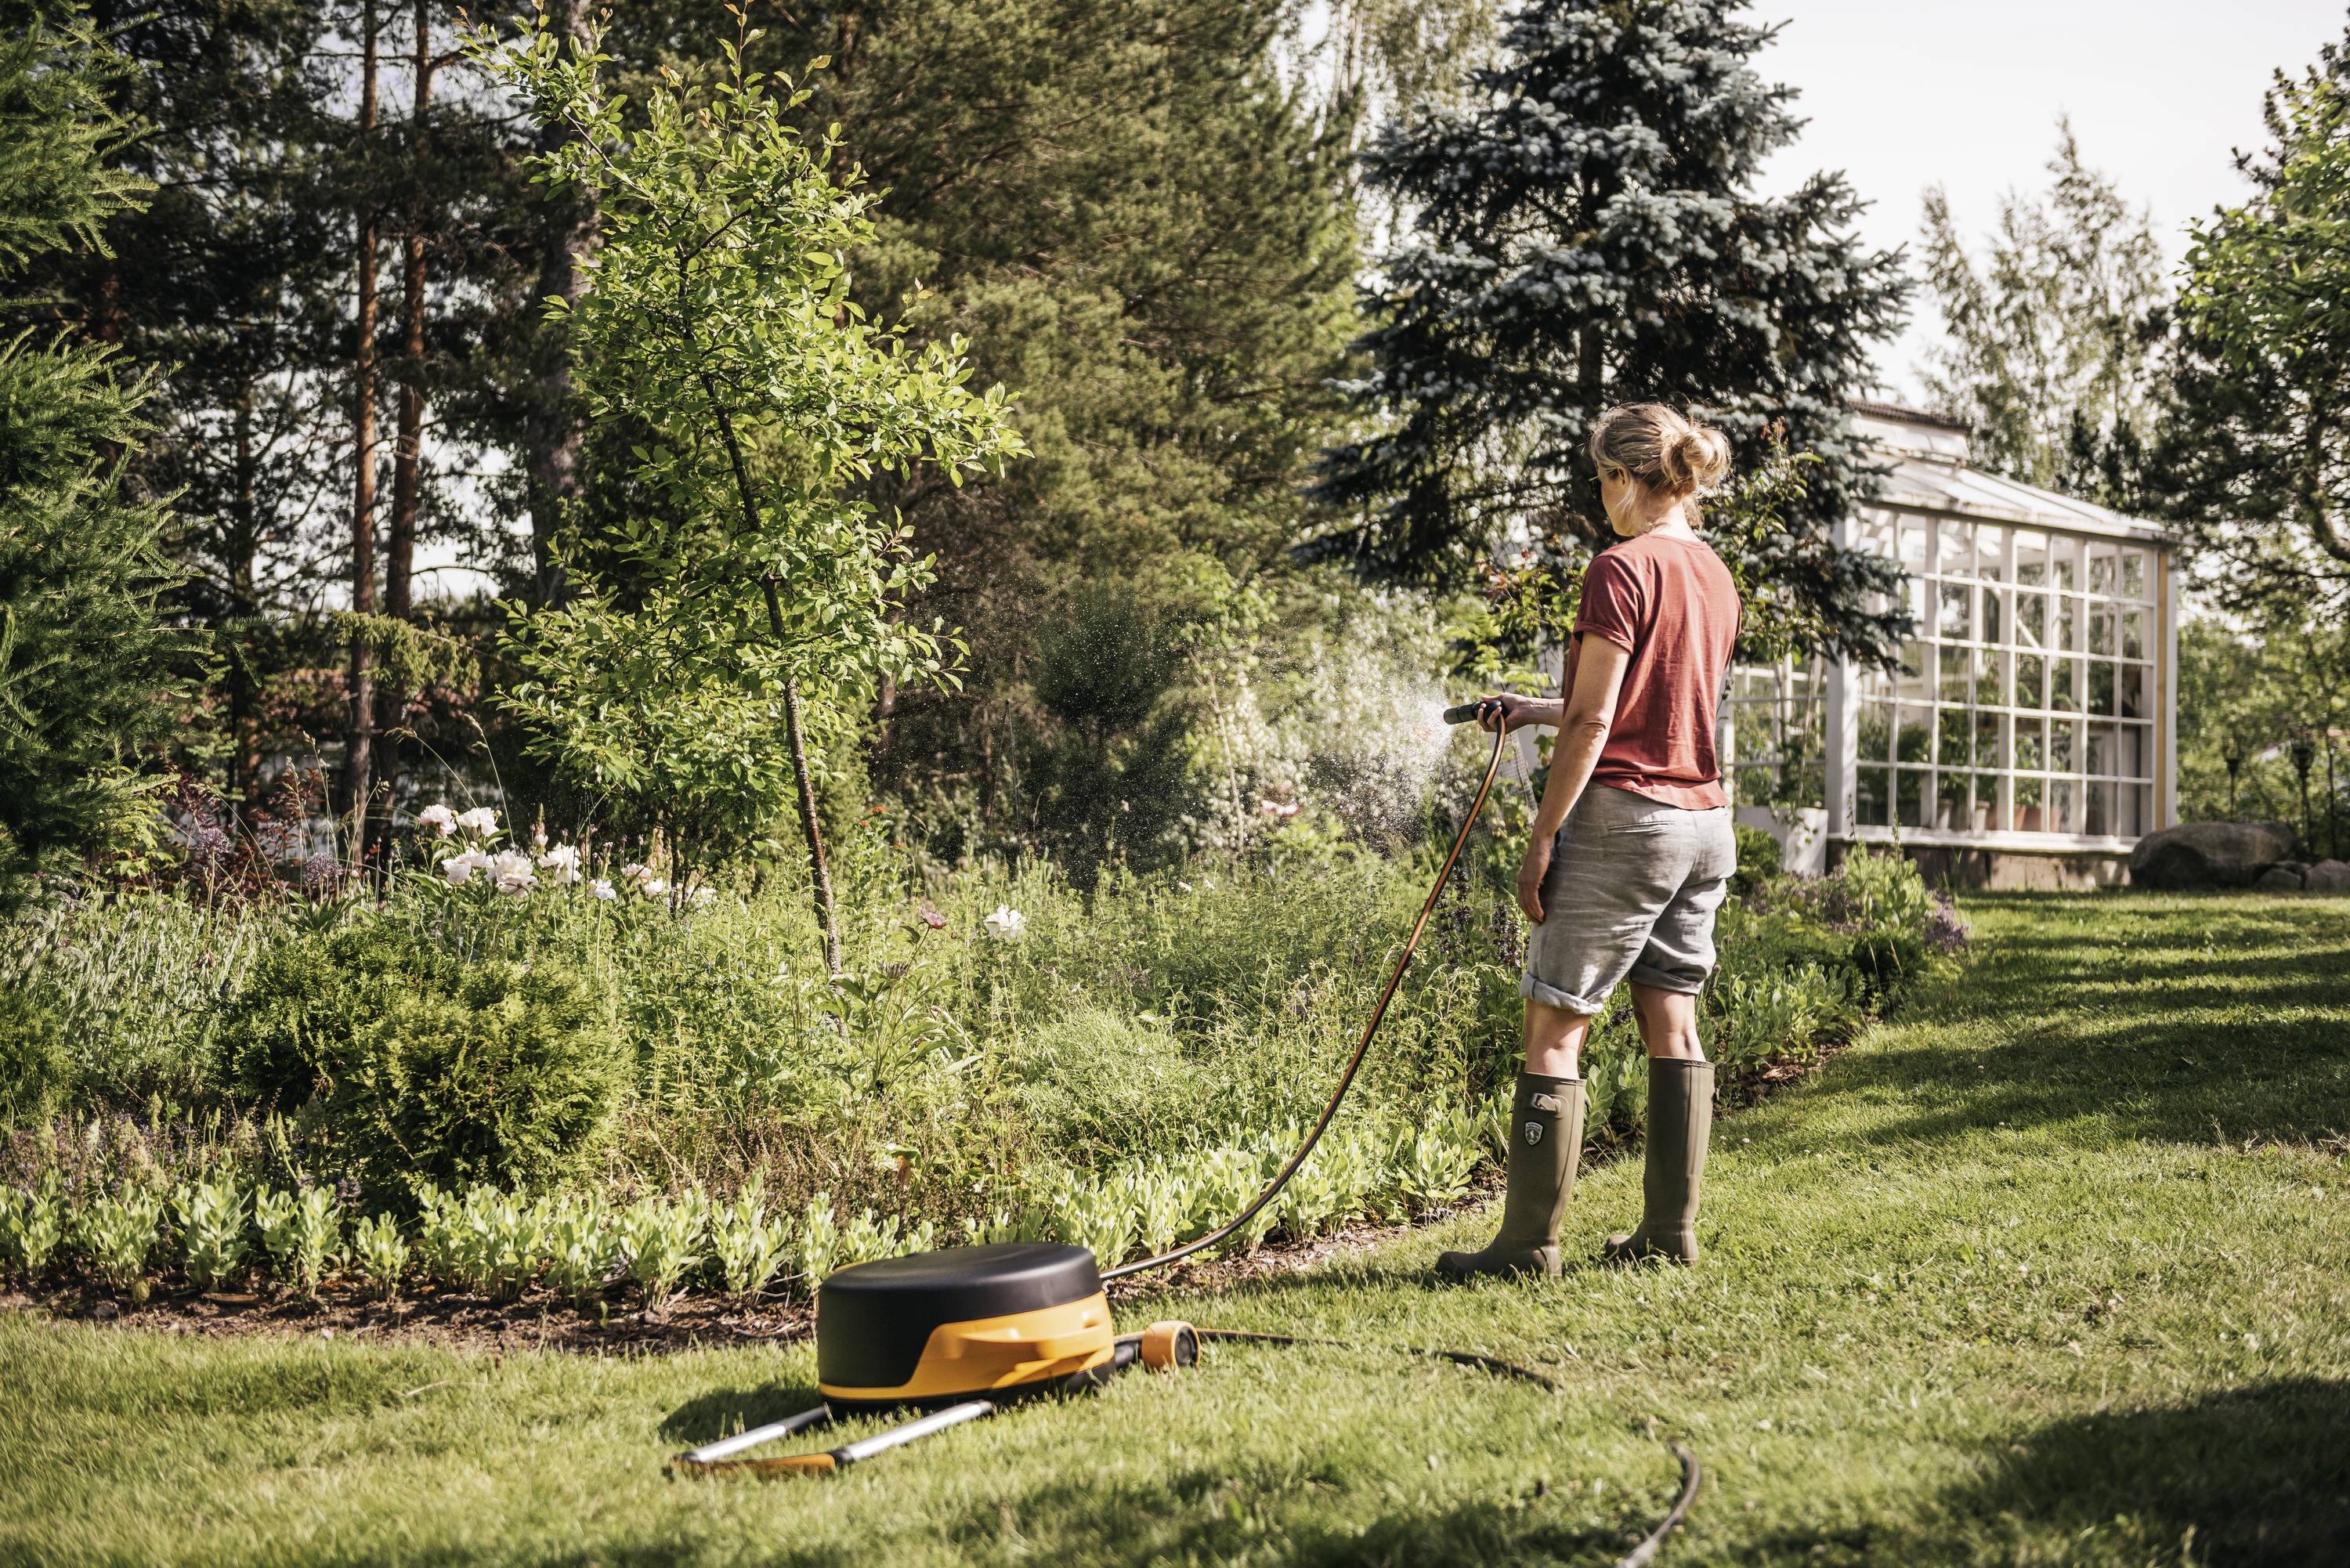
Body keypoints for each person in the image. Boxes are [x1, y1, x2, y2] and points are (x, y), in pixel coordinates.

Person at [1437, 402, 1742, 1279]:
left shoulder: (1620, 568)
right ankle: (1668, 1234)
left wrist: (1543, 837)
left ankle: (1527, 1246)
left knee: (1553, 1027)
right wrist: (1539, 707)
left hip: (1624, 826)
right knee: (1671, 1024)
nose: (1599, 498)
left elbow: (1601, 719)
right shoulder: (1715, 575)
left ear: (1622, 477)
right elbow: (1661, 700)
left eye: (1601, 480)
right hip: (1702, 824)